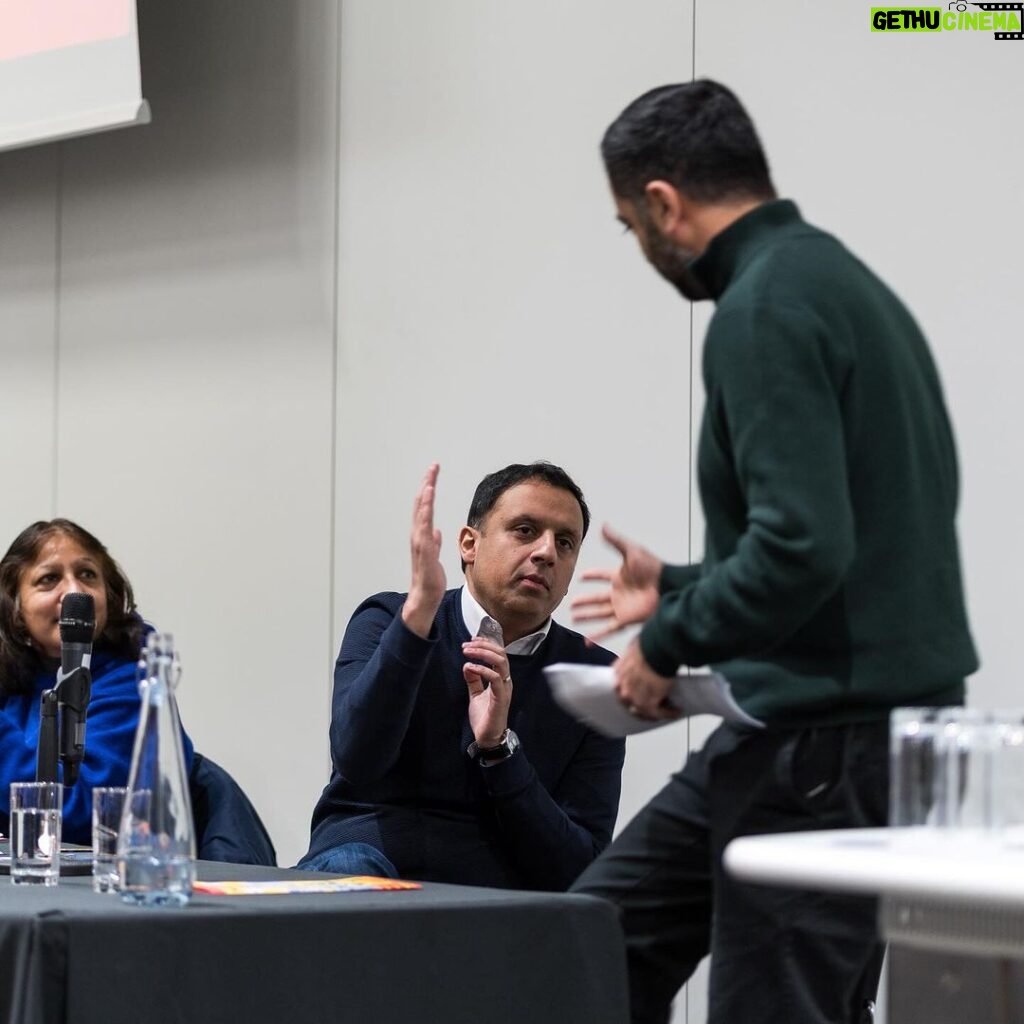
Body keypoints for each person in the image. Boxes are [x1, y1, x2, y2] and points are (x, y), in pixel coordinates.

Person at [569, 81, 978, 1024]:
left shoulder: (760, 308)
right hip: (809, 731)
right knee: (588, 938)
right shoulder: (843, 286)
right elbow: (850, 542)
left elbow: (801, 548)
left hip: (826, 744)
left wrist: (665, 642)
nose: (641, 248)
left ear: (665, 203)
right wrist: (679, 584)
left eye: (631, 225)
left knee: (776, 1011)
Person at [300, 461, 625, 890]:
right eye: (525, 530)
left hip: (496, 904)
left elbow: (578, 866)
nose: (547, 552)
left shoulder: (597, 679)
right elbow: (357, 758)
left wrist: (498, 751)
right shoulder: (387, 621)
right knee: (351, 876)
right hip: (370, 869)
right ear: (469, 545)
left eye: (565, 543)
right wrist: (416, 621)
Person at [0, 518, 194, 845]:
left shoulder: (134, 680)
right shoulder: (12, 679)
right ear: (15, 608)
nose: (75, 592)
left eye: (87, 574)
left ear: (110, 594)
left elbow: (87, 818)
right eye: (49, 579)